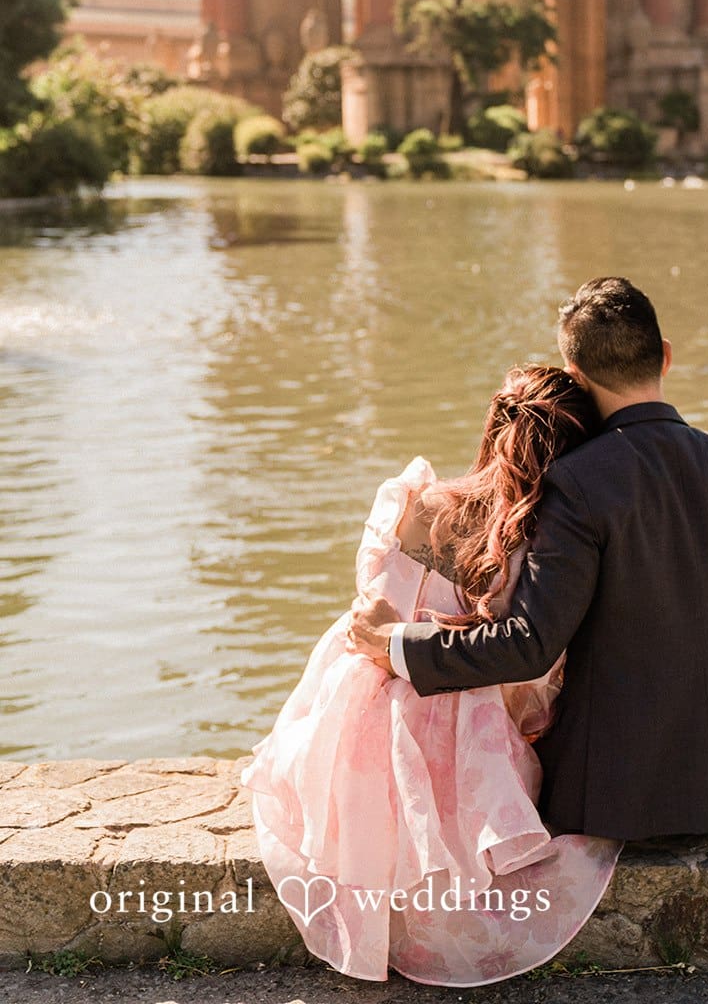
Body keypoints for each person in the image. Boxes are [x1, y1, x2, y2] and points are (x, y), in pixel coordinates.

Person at [350, 276, 708, 842]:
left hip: (624, 796)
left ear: (575, 376)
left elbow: (527, 645)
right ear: (665, 357)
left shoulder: (575, 481)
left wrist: (395, 642)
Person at [240, 364, 623, 986]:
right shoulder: (534, 539)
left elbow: (371, 608)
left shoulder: (414, 500)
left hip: (356, 703)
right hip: (452, 713)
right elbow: (525, 681)